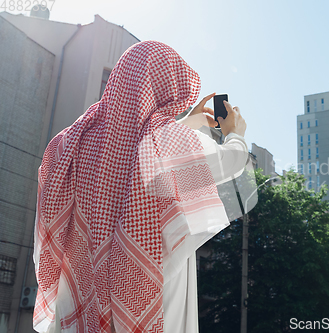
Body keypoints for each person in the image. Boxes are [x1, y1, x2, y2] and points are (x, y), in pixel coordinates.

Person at [33, 40, 250, 333]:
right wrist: (235, 134)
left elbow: (135, 155)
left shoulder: (68, 141)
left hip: (77, 290)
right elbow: (229, 163)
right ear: (167, 88)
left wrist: (188, 122)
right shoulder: (164, 142)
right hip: (144, 289)